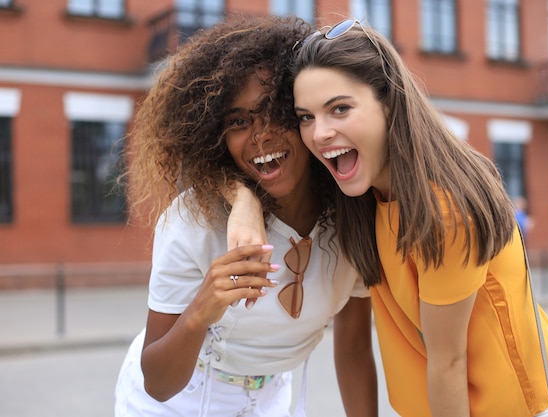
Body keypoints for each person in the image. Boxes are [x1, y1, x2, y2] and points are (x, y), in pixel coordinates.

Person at [288, 18, 548, 417]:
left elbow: (450, 363)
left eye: (340, 108)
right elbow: (351, 343)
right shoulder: (361, 199)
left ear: (388, 103)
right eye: (306, 117)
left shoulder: (444, 209)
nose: (319, 133)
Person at [113, 16, 377, 417]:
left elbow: (355, 347)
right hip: (179, 402)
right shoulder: (194, 221)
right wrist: (202, 307)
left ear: (305, 116)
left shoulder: (351, 214)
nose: (260, 135)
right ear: (216, 138)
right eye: (238, 121)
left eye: (275, 112)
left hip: (273, 398)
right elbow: (159, 383)